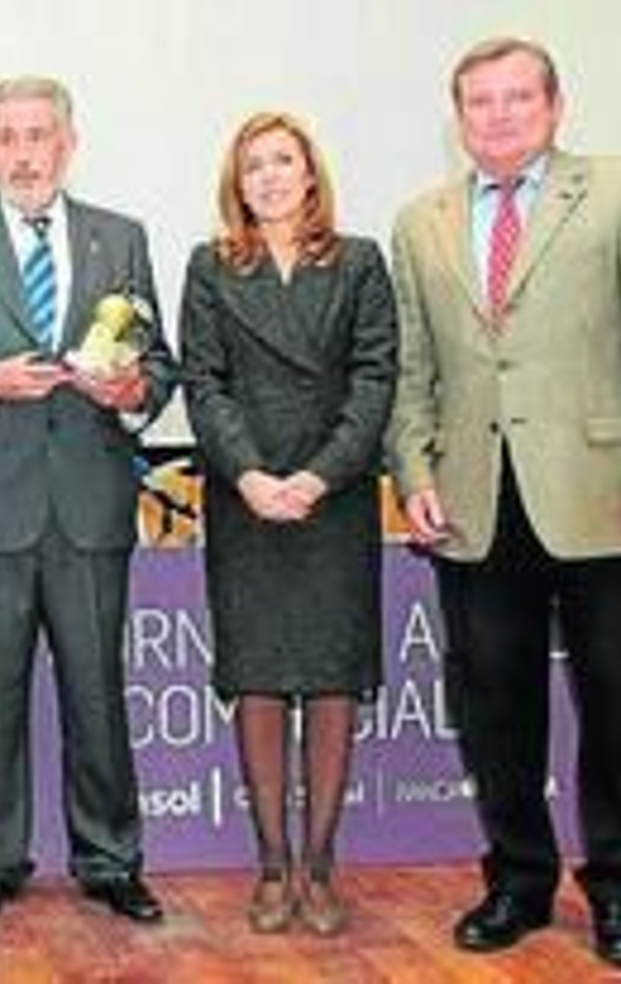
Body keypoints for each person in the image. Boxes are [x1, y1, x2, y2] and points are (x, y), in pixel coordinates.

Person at [386, 36, 621, 970]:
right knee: (495, 706)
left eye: (515, 99)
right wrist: (416, 476)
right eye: (479, 102)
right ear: (457, 116)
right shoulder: (420, 222)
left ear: (554, 106)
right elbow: (414, 366)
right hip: (472, 504)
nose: (497, 116)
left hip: (603, 500)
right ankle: (518, 881)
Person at [0, 76, 176, 924]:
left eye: (39, 135)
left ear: (68, 143)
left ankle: (111, 858)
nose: (24, 153)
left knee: (98, 688)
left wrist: (131, 391)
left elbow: (159, 363)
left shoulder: (119, 239)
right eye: (8, 138)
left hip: (91, 501)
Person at [180, 112, 396, 937]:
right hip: (247, 502)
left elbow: (376, 379)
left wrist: (316, 475)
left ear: (311, 175)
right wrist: (251, 476)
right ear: (237, 185)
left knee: (334, 682)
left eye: (283, 161)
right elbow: (203, 383)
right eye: (252, 166)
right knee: (260, 680)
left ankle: (322, 865)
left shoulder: (359, 262)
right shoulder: (211, 268)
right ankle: (272, 866)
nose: (268, 177)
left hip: (332, 501)